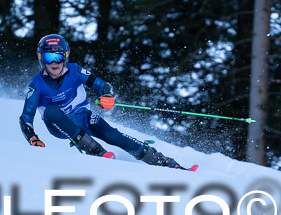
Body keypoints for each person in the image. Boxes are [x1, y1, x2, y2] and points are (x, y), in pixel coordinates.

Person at [19, 34, 186, 169]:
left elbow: (102, 85)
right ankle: (95, 150)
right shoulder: (36, 85)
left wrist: (107, 96)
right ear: (41, 58)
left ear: (66, 56)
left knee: (113, 135)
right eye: (49, 57)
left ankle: (163, 161)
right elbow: (25, 118)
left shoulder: (75, 70)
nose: (54, 62)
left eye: (58, 56)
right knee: (51, 111)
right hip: (58, 125)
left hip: (82, 116)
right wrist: (32, 138)